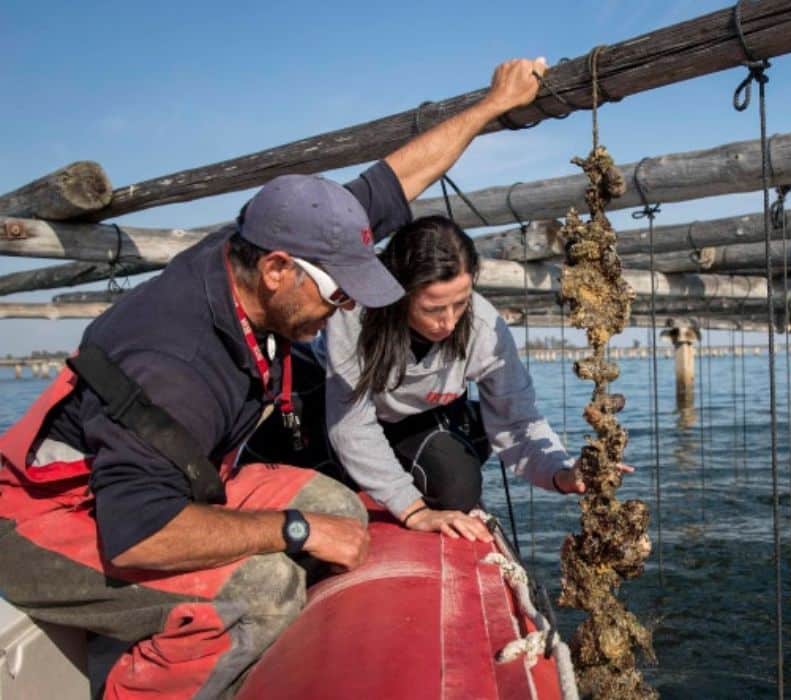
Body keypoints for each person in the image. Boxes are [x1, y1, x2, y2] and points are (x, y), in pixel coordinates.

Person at [0, 58, 547, 698]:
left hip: (174, 484)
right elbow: (137, 534)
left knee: (342, 507)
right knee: (263, 592)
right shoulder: (177, 367)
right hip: (48, 518)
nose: (346, 310)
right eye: (338, 295)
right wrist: (295, 530)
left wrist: (490, 105)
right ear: (278, 270)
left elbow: (395, 181)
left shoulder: (262, 240)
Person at [326, 215, 614, 543]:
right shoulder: (355, 311)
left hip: (420, 417)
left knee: (458, 488)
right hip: (349, 413)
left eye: (460, 304)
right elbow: (350, 424)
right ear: (399, 292)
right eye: (433, 309)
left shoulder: (484, 326)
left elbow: (518, 422)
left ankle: (473, 426)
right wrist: (414, 511)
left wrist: (562, 474)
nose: (448, 323)